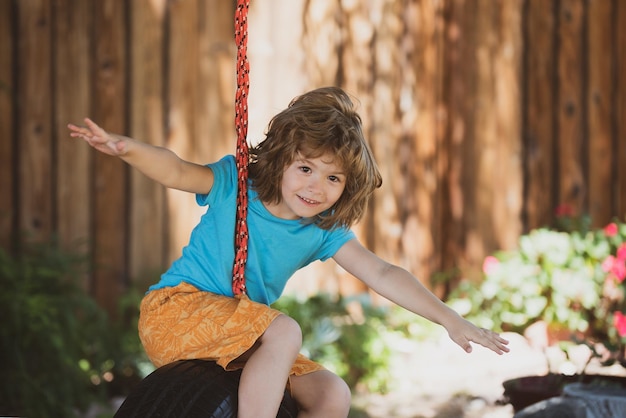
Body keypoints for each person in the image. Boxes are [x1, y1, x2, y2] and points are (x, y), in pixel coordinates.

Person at [68, 87, 509, 418]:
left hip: (237, 335)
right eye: (306, 168)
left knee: (331, 393)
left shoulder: (320, 230)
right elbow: (177, 170)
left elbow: (383, 272)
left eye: (333, 179)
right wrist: (128, 150)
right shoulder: (238, 186)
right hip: (176, 313)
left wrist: (451, 318)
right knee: (285, 331)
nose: (316, 187)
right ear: (281, 160)